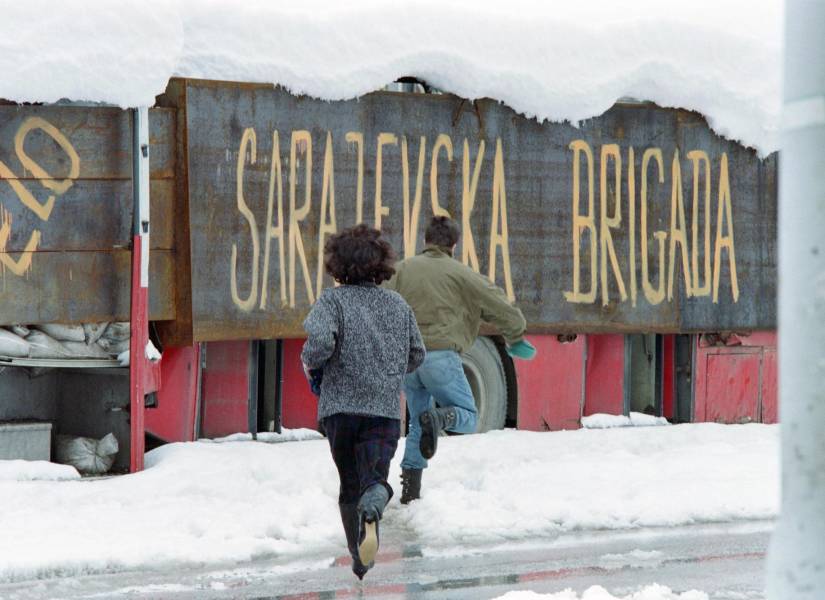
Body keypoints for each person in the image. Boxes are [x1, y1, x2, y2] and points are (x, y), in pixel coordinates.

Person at [301, 224, 425, 580]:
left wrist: (315, 363)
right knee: (373, 478)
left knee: (349, 485)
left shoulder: (332, 301)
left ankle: (360, 557)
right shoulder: (398, 305)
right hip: (383, 411)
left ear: (337, 265)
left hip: (340, 410)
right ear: (381, 264)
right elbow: (417, 353)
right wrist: (388, 370)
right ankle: (377, 497)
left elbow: (319, 345)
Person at [384, 215, 536, 504]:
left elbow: (380, 302)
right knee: (467, 417)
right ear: (453, 244)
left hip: (407, 360)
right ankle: (440, 417)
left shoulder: (401, 270)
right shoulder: (462, 274)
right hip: (441, 357)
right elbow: (499, 304)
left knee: (418, 423)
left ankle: (410, 493)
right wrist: (515, 334)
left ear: (425, 240)